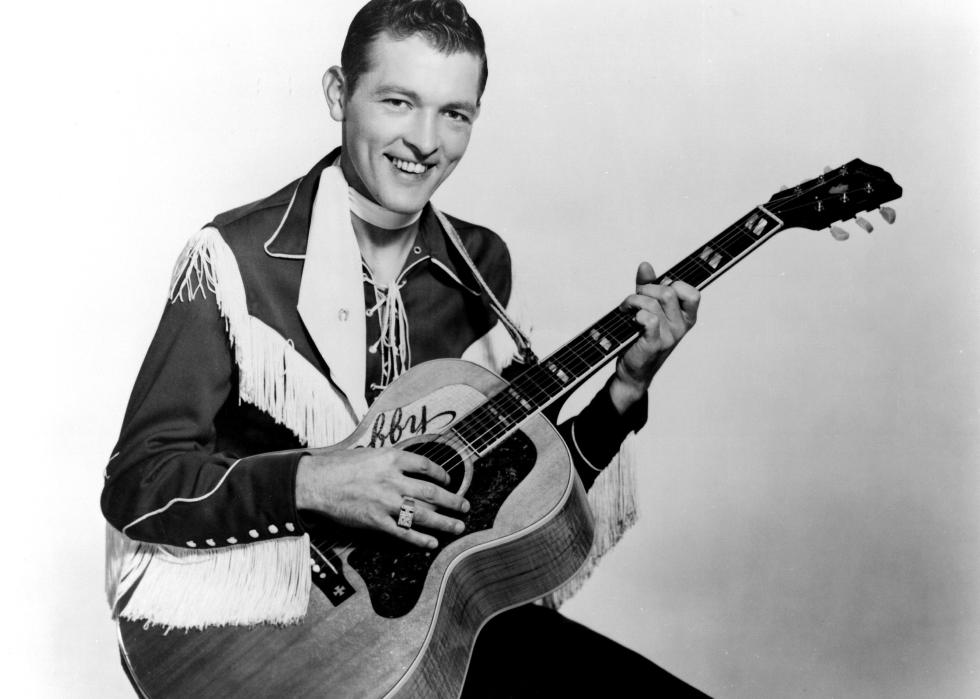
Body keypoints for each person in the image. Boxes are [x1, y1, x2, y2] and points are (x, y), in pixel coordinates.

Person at [101, 0, 706, 695]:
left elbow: (509, 500)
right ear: (339, 94)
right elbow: (138, 481)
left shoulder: (480, 264)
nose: (426, 140)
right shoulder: (233, 260)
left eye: (455, 113)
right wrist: (316, 481)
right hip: (267, 643)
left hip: (425, 632)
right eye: (398, 101)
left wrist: (624, 391)